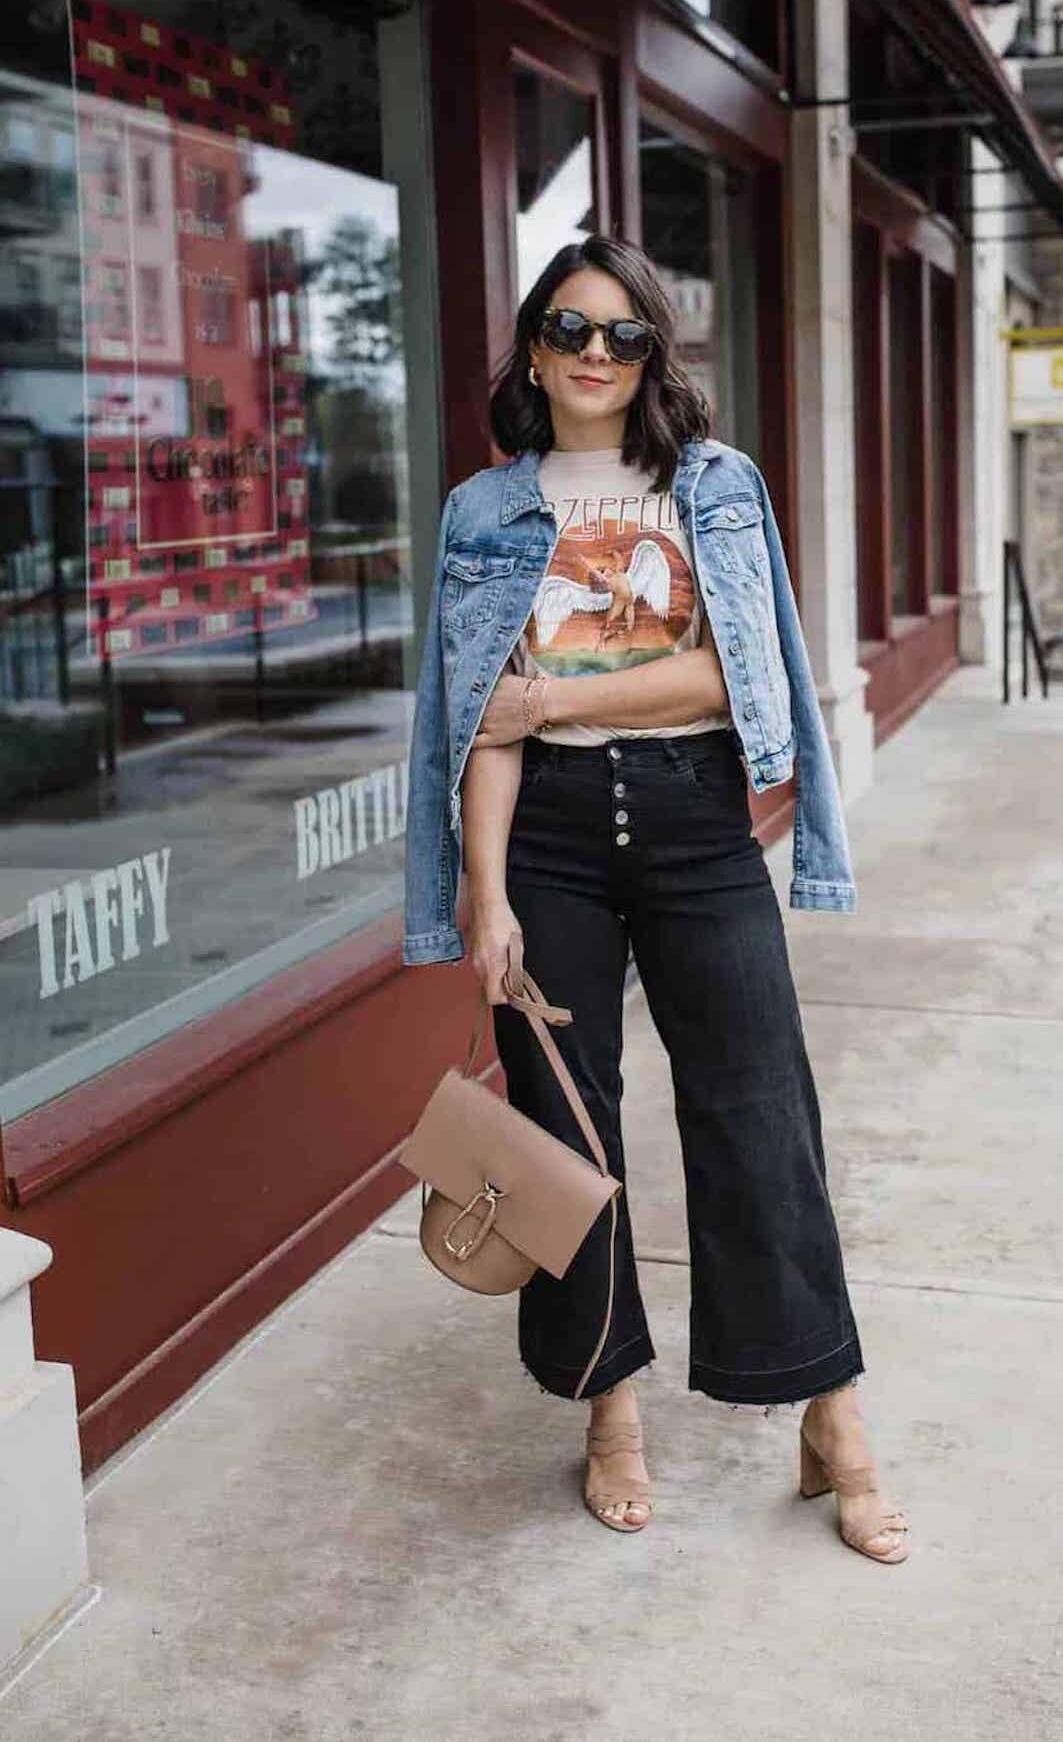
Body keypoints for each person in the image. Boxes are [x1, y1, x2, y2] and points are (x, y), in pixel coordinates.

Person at [403, 234, 908, 1563]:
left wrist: (555, 694)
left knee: (758, 1109)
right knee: (572, 1135)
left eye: (623, 335)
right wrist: (485, 892)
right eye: (571, 327)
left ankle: (831, 1407)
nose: (593, 354)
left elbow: (726, 684)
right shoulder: (483, 511)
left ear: (652, 355)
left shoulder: (715, 489)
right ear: (533, 343)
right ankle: (608, 1406)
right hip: (548, 838)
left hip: (692, 818)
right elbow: (478, 726)